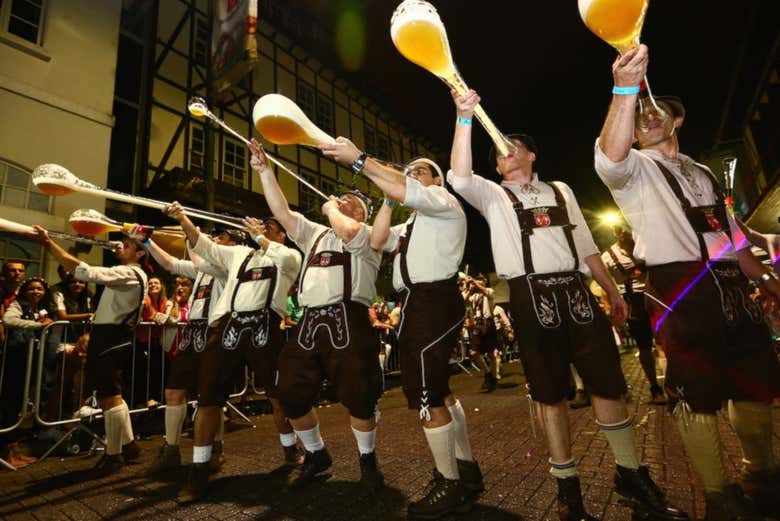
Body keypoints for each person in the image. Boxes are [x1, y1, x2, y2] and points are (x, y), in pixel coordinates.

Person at [449, 89, 686, 521]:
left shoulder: (560, 190)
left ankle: (630, 473)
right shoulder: (493, 196)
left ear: (531, 155)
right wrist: (464, 117)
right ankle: (567, 489)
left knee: (607, 383)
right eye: (499, 153)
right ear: (499, 168)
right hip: (529, 295)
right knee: (549, 393)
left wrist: (612, 292)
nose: (505, 153)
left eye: (513, 146)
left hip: (576, 293)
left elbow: (585, 246)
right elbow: (459, 178)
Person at [594, 44, 780, 520]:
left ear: (678, 121)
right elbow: (608, 159)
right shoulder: (635, 169)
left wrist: (770, 283)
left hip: (730, 285)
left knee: (754, 379)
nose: (649, 117)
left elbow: (733, 241)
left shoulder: (702, 172)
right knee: (696, 390)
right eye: (641, 115)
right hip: (680, 288)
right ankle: (718, 494)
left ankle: (760, 474)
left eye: (659, 111)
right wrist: (626, 89)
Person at [320, 139, 481, 518]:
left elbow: (407, 189)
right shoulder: (411, 222)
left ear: (437, 180)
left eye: (419, 171)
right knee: (438, 389)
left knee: (423, 390)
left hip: (433, 299)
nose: (411, 175)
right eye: (407, 172)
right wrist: (389, 201)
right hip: (414, 303)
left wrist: (363, 163)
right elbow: (377, 240)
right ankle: (466, 470)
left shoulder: (442, 200)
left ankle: (449, 482)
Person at [251, 139, 384, 493]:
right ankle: (315, 453)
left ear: (362, 213)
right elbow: (283, 213)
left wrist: (331, 209)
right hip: (310, 321)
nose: (342, 203)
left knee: (359, 394)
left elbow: (349, 230)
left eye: (350, 203)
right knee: (290, 391)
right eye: (341, 200)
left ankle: (367, 458)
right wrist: (265, 172)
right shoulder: (315, 235)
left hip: (349, 317)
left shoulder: (367, 235)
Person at [164, 206, 303, 502]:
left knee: (277, 396)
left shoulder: (290, 256)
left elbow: (281, 258)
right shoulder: (240, 253)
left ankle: (290, 446)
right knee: (208, 397)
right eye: (261, 225)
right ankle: (199, 468)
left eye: (270, 226)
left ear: (283, 234)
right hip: (228, 325)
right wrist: (184, 220)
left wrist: (260, 238)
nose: (263, 228)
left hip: (265, 326)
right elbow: (205, 246)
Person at [33, 227, 148, 478]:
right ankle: (129, 446)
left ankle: (114, 455)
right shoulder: (130, 272)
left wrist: (49, 243)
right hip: (109, 335)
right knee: (111, 392)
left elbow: (84, 271)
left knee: (110, 395)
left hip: (113, 336)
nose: (120, 246)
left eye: (127, 245)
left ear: (139, 253)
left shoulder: (129, 272)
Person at [143, 232, 235, 479]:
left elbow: (197, 258)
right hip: (192, 331)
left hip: (214, 331)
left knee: (210, 397)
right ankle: (171, 450)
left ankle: (216, 448)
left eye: (223, 238)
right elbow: (169, 264)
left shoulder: (231, 265)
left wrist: (190, 233)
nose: (216, 240)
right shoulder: (201, 268)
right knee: (173, 391)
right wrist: (146, 242)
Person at [601, 226, 666, 405]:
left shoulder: (646, 247)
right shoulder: (608, 257)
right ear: (617, 234)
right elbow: (605, 285)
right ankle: (655, 387)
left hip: (655, 298)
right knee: (644, 346)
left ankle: (671, 384)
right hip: (633, 303)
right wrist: (610, 307)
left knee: (664, 342)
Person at [0, 276, 52, 468]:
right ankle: (6, 452)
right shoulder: (18, 304)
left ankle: (14, 450)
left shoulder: (39, 309)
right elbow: (8, 320)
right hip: (15, 360)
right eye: (32, 289)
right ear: (24, 291)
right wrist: (37, 325)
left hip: (29, 362)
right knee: (10, 404)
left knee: (21, 404)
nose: (36, 292)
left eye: (40, 289)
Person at [134, 276, 171, 408]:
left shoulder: (164, 301)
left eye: (156, 282)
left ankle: (156, 397)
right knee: (142, 371)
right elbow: (153, 316)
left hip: (155, 341)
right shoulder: (145, 299)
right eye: (150, 283)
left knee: (159, 369)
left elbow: (166, 316)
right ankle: (142, 400)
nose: (153, 285)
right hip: (141, 340)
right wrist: (158, 318)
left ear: (162, 286)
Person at [0, 261, 26, 345]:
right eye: (13, 270)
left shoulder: (26, 291)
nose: (17, 273)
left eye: (20, 270)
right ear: (4, 273)